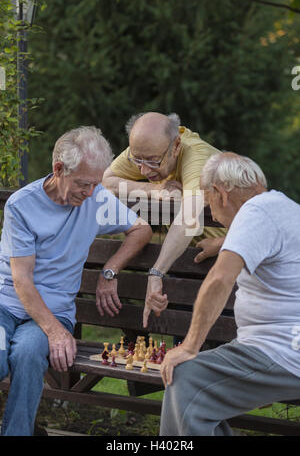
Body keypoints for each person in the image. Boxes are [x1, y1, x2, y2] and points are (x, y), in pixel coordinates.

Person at [0, 126, 152, 436]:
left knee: (28, 354)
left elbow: (141, 229)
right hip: (6, 306)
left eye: (95, 184)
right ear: (59, 169)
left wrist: (109, 272)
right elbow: (22, 282)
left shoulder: (95, 198)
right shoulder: (21, 205)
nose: (90, 192)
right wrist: (55, 334)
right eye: (83, 183)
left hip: (54, 312)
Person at [160, 152, 300, 436]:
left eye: (208, 200)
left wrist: (188, 347)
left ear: (220, 193)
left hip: (282, 351)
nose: (211, 212)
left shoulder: (256, 212)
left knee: (186, 378)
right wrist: (225, 242)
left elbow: (219, 280)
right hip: (280, 348)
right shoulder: (283, 207)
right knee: (200, 396)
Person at [102, 112, 227, 328]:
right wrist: (155, 189)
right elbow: (106, 181)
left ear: (176, 146)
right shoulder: (147, 148)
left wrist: (156, 273)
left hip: (227, 269)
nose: (143, 169)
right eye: (136, 160)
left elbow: (189, 218)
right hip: (186, 264)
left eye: (152, 162)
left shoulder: (197, 158)